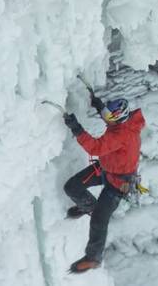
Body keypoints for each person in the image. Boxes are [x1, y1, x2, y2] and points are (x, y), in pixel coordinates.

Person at [62, 93, 145, 274]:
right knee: (72, 187)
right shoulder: (126, 122)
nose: (107, 118)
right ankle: (88, 206)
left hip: (119, 183)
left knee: (99, 221)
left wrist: (76, 129)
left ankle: (93, 258)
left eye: (109, 116)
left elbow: (95, 147)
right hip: (106, 169)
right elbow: (112, 120)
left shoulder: (121, 134)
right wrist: (100, 107)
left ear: (118, 119)